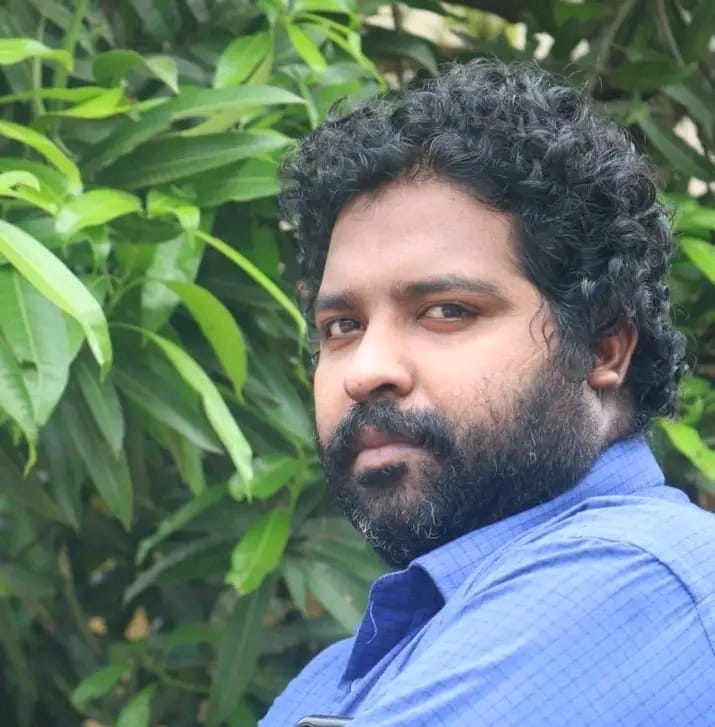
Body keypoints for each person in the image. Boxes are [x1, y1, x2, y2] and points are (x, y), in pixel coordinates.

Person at [260, 59, 715, 726]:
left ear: (601, 348)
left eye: (447, 311)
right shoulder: (337, 674)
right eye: (342, 326)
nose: (365, 370)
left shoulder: (637, 575)